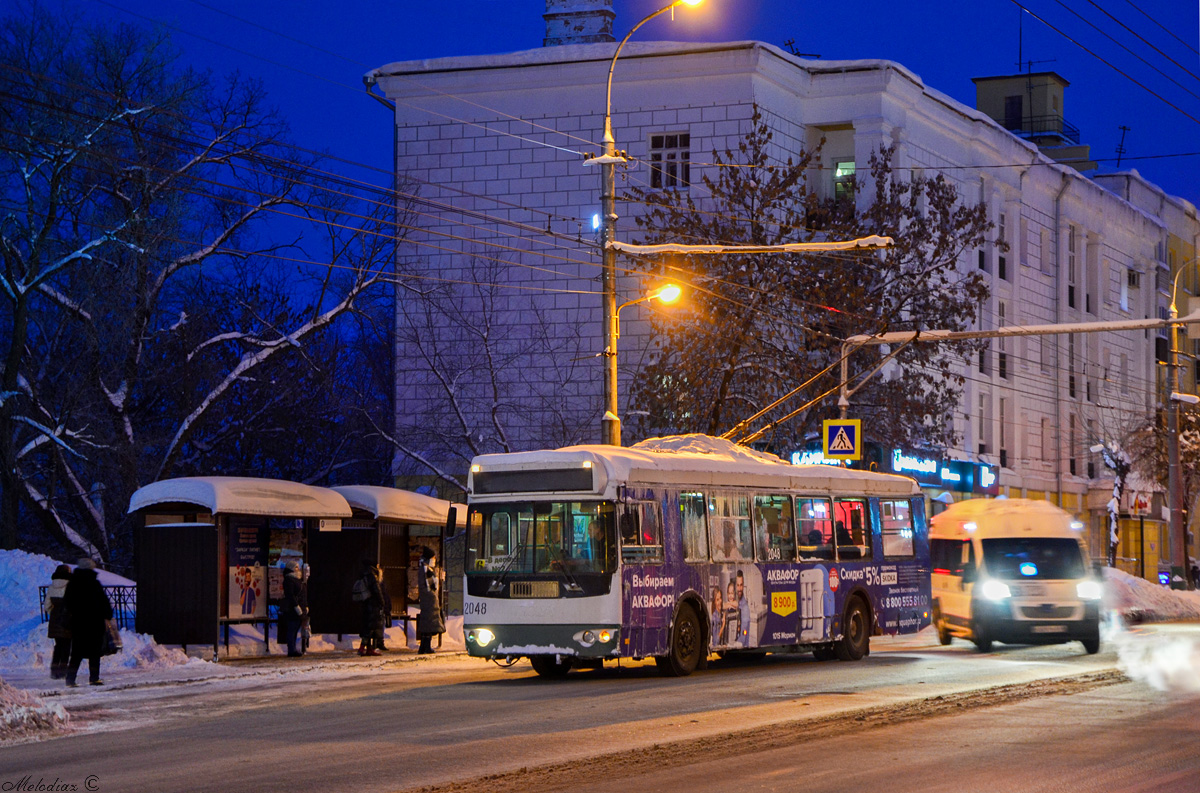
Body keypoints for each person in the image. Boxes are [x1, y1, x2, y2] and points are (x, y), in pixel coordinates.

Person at [63, 558, 112, 687]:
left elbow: (67, 603)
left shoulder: (73, 584)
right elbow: (104, 602)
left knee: (77, 653)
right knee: (95, 652)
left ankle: (70, 679)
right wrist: (107, 614)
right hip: (95, 622)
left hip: (78, 623)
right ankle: (94, 678)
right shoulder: (94, 583)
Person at [46, 564, 73, 679]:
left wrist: (53, 613)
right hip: (68, 619)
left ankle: (54, 670)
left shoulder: (51, 587)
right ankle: (62, 671)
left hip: (55, 618)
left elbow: (47, 605)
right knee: (66, 646)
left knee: (58, 645)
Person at [417, 547, 445, 654]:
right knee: (429, 623)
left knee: (428, 623)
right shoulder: (425, 569)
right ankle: (426, 646)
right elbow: (429, 586)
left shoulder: (425, 568)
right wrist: (433, 597)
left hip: (428, 600)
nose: (434, 559)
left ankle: (424, 646)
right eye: (433, 557)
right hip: (429, 601)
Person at [279, 560, 308, 657]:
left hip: (300, 607)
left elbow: (303, 594)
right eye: (296, 567)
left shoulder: (298, 578)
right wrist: (296, 606)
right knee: (292, 628)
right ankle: (291, 649)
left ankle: (293, 648)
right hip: (292, 608)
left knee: (295, 628)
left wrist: (305, 606)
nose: (298, 569)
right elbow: (290, 595)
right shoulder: (289, 579)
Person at [357, 559, 385, 656]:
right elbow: (376, 590)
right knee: (371, 628)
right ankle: (362, 648)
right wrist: (382, 602)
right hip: (373, 605)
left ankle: (369, 648)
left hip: (365, 604)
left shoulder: (364, 574)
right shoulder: (372, 576)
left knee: (368, 627)